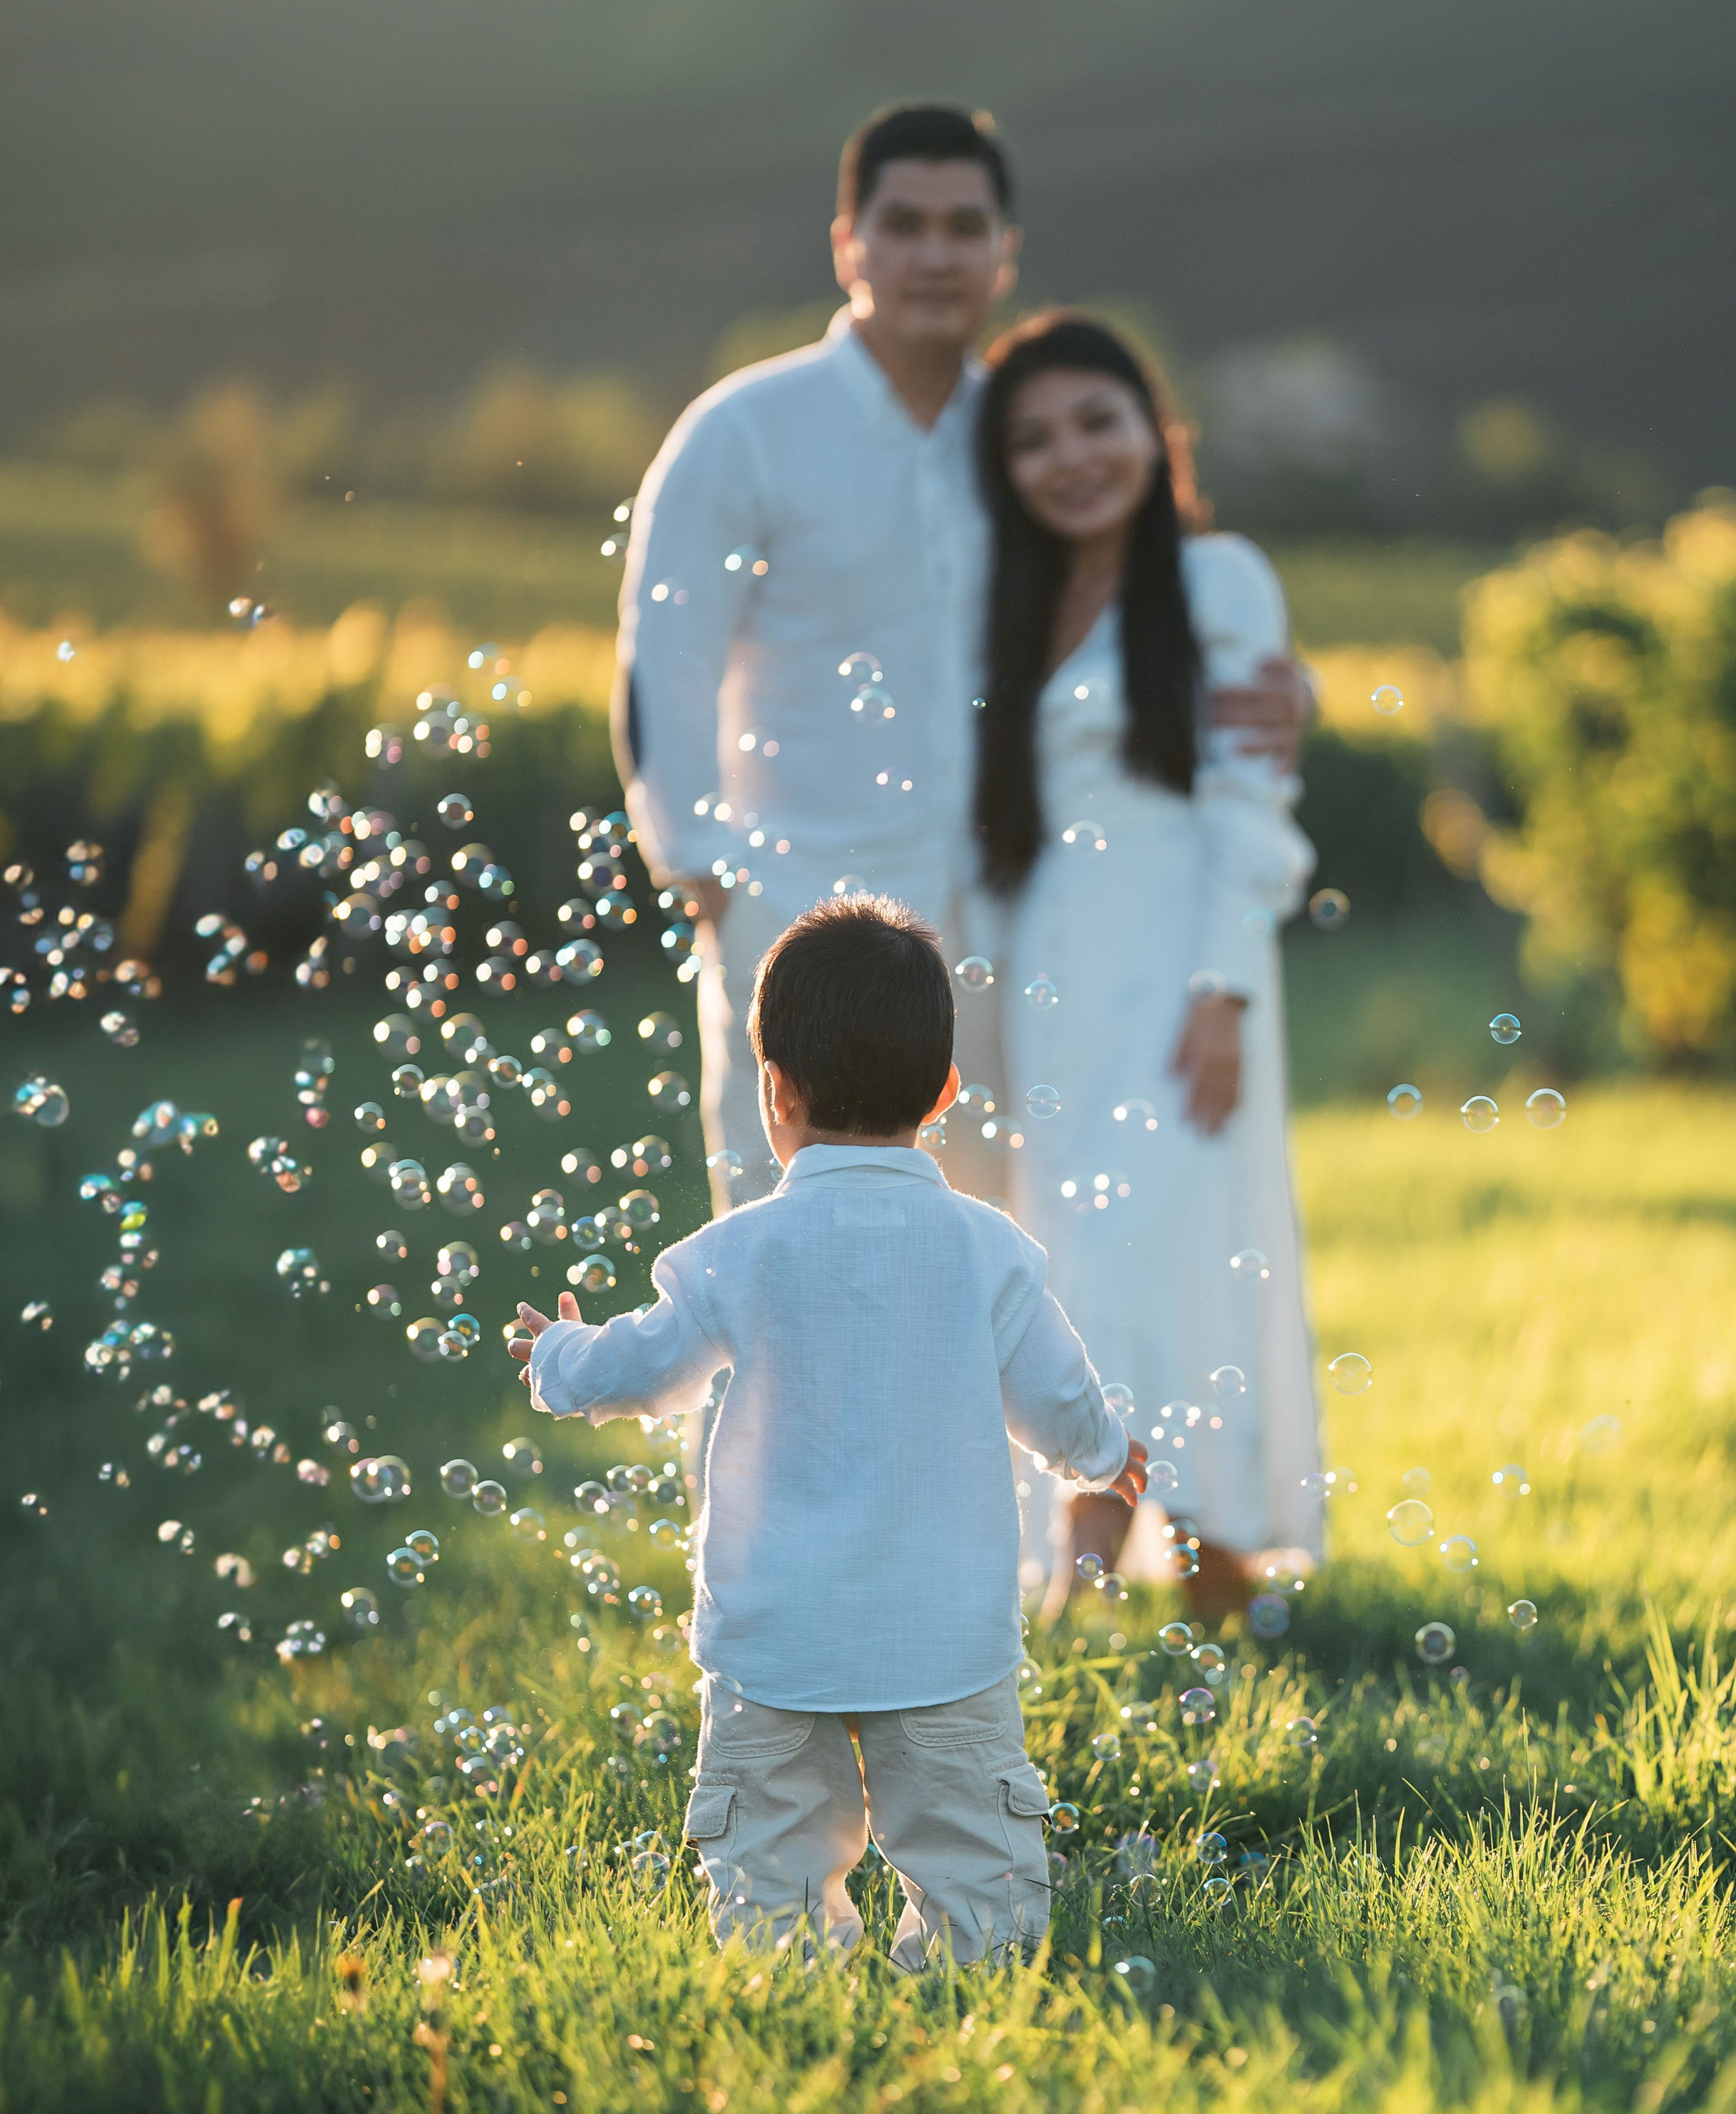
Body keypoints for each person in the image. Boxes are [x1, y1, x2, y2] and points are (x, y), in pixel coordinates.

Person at [613, 102, 1310, 1216]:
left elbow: (1143, 607)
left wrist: (1280, 684)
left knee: (988, 1270)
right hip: (795, 919)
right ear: (850, 245)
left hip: (1003, 935)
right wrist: (709, 880)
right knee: (782, 1267)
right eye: (903, 224)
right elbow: (665, 666)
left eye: (964, 225)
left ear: (1005, 252)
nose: (935, 253)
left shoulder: (1028, 442)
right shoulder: (742, 431)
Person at [509, 895, 1146, 1964]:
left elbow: (644, 1369)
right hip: (945, 1643)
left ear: (775, 1092)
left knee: (767, 1878)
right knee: (980, 1880)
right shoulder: (989, 1250)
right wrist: (1106, 1456)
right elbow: (1060, 1396)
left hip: (775, 1645)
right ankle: (966, 1987)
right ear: (944, 1091)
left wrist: (560, 1358)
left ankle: (793, 1993)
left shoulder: (737, 1251)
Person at [970, 313, 1322, 1615]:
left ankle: (1100, 1572)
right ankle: (1207, 1569)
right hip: (1048, 982)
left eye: (1097, 423)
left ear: (1154, 432)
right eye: (1034, 438)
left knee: (1175, 1247)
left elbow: (1250, 795)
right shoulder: (1006, 601)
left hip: (1185, 975)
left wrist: (1223, 988)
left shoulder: (1219, 576)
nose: (1071, 457)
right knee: (1077, 1254)